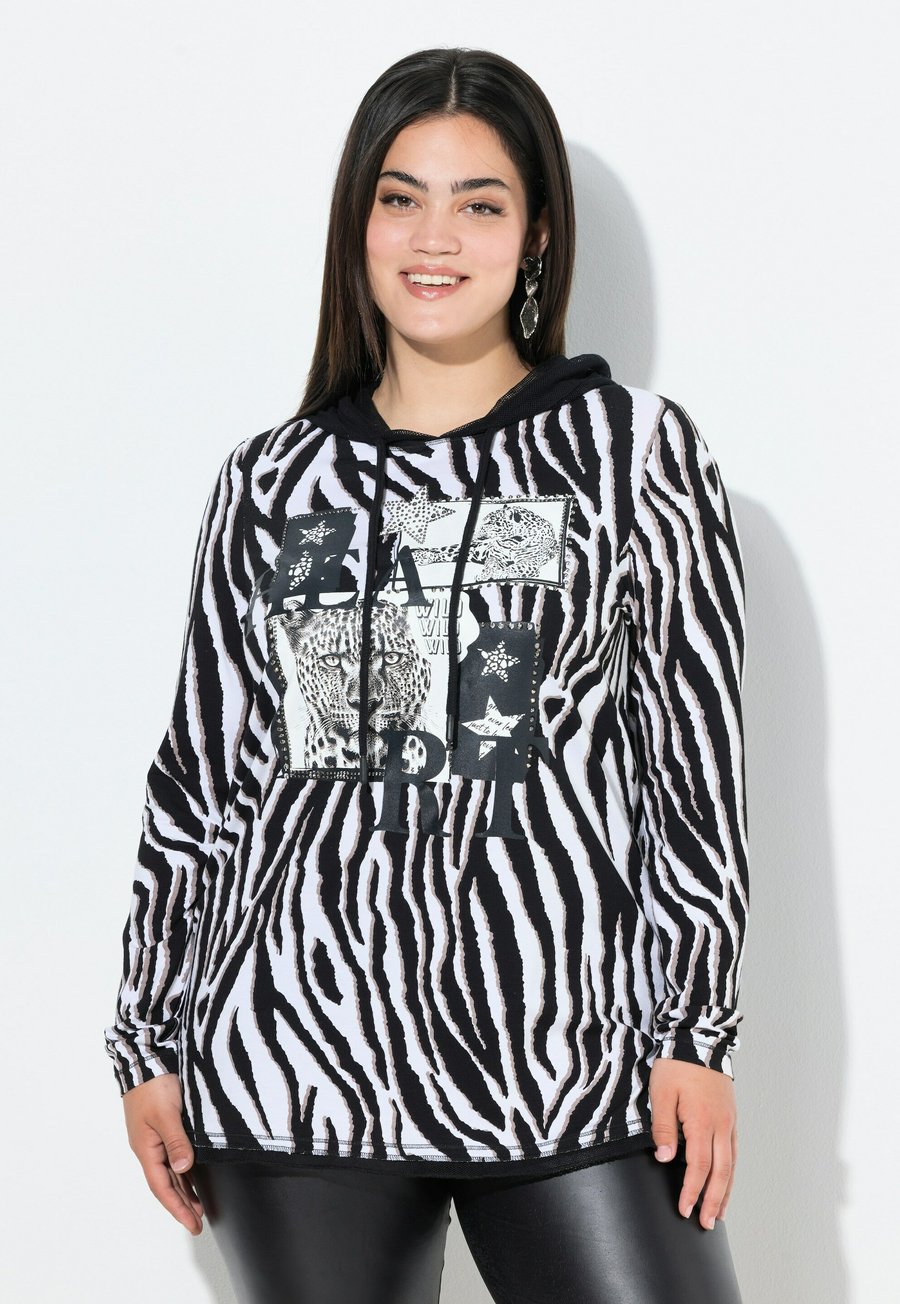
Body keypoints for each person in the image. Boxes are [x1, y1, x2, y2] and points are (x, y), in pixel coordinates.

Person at [105, 46, 750, 1303]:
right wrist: (146, 1035)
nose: (434, 237)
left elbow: (692, 768)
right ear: (358, 221)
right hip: (298, 1056)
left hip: (572, 1057)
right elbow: (204, 776)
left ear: (538, 232)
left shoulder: (632, 457)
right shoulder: (274, 481)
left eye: (480, 202)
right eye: (400, 198)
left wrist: (695, 1030)